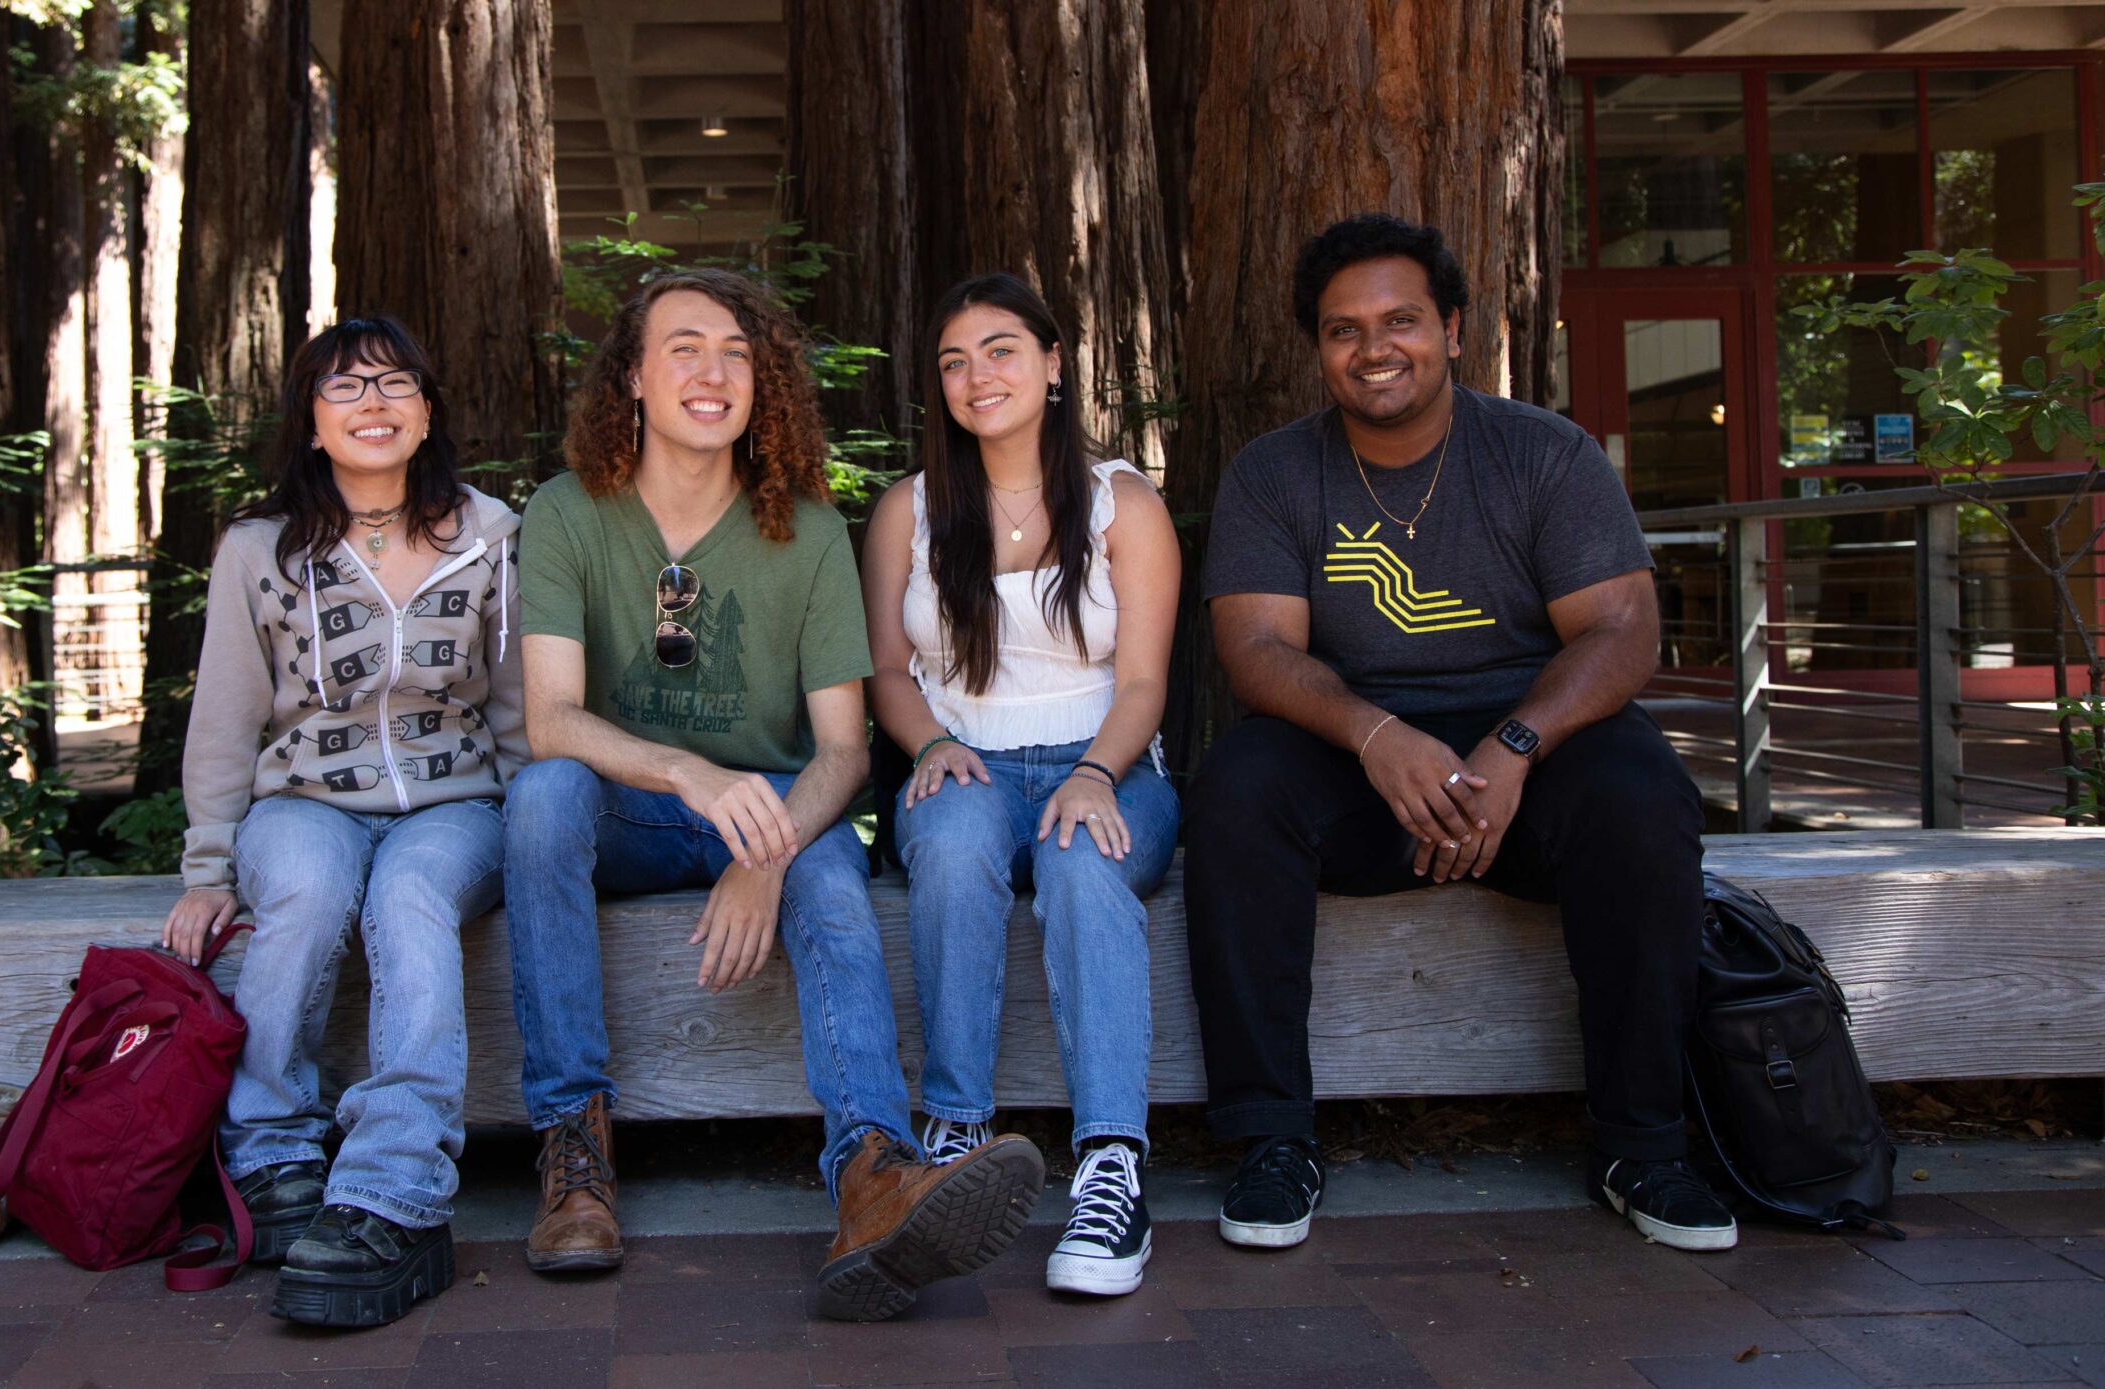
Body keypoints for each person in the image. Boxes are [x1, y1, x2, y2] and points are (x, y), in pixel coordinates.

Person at [503, 267, 1045, 1321]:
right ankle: (575, 1150)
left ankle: (871, 1176)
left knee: (831, 888)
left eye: (737, 354)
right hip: (638, 803)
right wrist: (689, 773)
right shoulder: (569, 511)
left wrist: (763, 854)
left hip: (775, 812)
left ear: (764, 387)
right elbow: (551, 720)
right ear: (633, 381)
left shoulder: (800, 524)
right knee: (540, 800)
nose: (713, 373)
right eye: (686, 348)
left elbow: (843, 752)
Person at [1186, 214, 1734, 1255]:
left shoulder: (1542, 453)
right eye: (1342, 329)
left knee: (1641, 792)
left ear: (1450, 329)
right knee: (1238, 789)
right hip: (1357, 769)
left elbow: (1622, 632)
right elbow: (1254, 648)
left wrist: (1514, 748)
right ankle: (1269, 1141)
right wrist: (1375, 734)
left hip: (1527, 766)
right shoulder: (1274, 472)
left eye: (1399, 320)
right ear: (1318, 348)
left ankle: (1642, 1144)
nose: (1372, 347)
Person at [161, 316, 528, 1328]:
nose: (372, 403)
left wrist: (538, 830)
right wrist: (206, 868)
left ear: (427, 413)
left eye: (394, 383)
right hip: (303, 805)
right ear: (310, 426)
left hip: (454, 806)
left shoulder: (492, 537)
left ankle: (395, 1190)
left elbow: (515, 708)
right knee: (312, 888)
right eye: (344, 389)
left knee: (409, 895)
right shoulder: (258, 550)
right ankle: (272, 1151)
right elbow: (227, 721)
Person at [861, 274, 1181, 1297]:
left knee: (1084, 867)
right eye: (953, 362)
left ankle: (1110, 1168)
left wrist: (1094, 774)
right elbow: (887, 673)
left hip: (1110, 757)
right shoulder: (908, 510)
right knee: (953, 850)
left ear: (1052, 363)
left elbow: (1141, 681)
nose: (975, 377)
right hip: (962, 756)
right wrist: (923, 747)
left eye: (999, 350)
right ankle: (953, 1133)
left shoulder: (1122, 501)